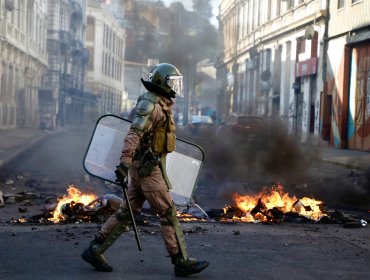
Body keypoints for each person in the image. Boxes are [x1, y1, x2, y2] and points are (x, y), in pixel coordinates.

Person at [81, 63, 209, 277]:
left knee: (125, 212)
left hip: (146, 168)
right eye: (172, 82)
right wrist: (124, 162)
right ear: (162, 82)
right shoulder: (151, 104)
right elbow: (134, 133)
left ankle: (95, 249)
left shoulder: (160, 104)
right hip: (149, 171)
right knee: (168, 213)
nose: (175, 87)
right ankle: (181, 261)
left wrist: (129, 164)